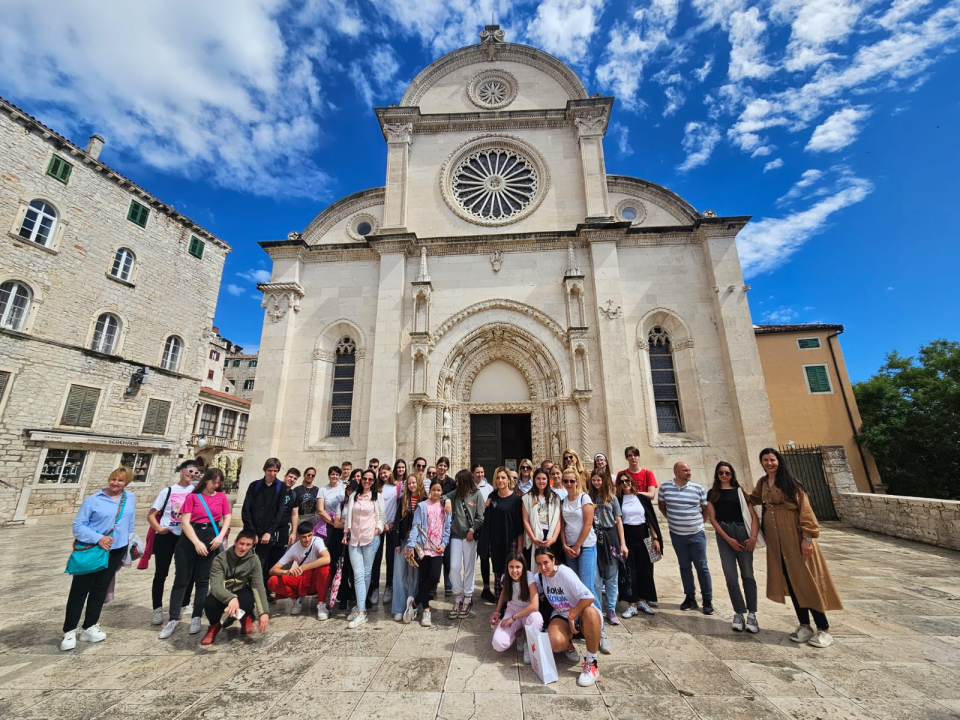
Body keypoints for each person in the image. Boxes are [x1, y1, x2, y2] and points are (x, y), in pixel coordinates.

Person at [748, 448, 842, 648]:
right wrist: (730, 490)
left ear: (779, 461)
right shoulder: (763, 482)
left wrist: (807, 538)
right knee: (791, 582)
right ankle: (805, 626)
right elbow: (754, 498)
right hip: (777, 541)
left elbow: (805, 510)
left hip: (795, 536)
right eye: (765, 460)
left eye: (772, 459)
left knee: (807, 580)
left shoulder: (791, 483)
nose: (769, 463)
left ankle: (823, 629)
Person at [60, 468, 136, 651]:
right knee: (80, 589)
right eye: (113, 479)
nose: (116, 483)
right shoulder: (93, 500)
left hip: (116, 550)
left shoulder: (130, 498)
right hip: (94, 549)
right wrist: (98, 538)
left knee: (100, 589)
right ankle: (69, 630)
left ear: (127, 482)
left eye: (120, 480)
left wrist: (131, 542)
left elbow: (130, 522)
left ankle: (90, 626)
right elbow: (78, 526)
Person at [159, 468, 232, 639]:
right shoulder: (193, 497)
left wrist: (220, 536)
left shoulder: (221, 497)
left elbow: (227, 517)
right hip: (191, 538)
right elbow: (185, 522)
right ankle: (173, 618)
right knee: (181, 580)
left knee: (203, 580)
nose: (216, 485)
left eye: (218, 483)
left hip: (211, 537)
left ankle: (197, 617)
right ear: (206, 480)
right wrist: (197, 542)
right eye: (214, 482)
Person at [534, 548, 603, 687]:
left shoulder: (564, 572)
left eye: (546, 562)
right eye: (539, 564)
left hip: (582, 613)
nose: (543, 567)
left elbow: (589, 597)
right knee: (555, 643)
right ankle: (568, 643)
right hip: (561, 615)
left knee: (590, 613)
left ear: (553, 560)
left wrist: (573, 615)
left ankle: (592, 663)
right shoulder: (541, 577)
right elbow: (526, 590)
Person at [706, 461, 760, 633]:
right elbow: (712, 519)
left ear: (732, 474)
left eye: (727, 473)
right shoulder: (712, 494)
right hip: (725, 534)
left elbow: (753, 516)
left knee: (748, 574)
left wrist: (752, 538)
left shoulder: (740, 492)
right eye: (721, 472)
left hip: (743, 533)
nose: (724, 475)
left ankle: (752, 614)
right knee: (730, 576)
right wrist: (728, 539)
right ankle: (739, 612)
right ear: (717, 474)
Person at [559, 468, 609, 653]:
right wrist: (565, 545)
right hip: (570, 547)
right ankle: (582, 626)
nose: (569, 484)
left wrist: (578, 545)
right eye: (566, 481)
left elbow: (588, 523)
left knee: (587, 588)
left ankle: (601, 632)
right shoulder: (564, 500)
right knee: (574, 588)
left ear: (577, 481)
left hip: (585, 546)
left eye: (572, 481)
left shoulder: (584, 498)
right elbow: (562, 524)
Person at [658, 462, 713, 614]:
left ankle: (707, 599)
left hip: (697, 534)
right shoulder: (665, 488)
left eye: (689, 470)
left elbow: (705, 509)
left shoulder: (698, 488)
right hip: (677, 534)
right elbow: (662, 505)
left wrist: (700, 523)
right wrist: (672, 520)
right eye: (685, 470)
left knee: (702, 566)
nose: (688, 472)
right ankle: (690, 597)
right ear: (676, 472)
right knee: (684, 566)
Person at [147, 461, 197, 626]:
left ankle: (184, 603)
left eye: (196, 472)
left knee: (186, 572)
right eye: (190, 471)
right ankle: (157, 609)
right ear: (181, 471)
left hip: (185, 536)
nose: (192, 474)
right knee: (161, 573)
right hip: (167, 536)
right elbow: (151, 515)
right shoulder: (167, 491)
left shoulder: (195, 491)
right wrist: (159, 529)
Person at [201, 530, 270, 646]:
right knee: (210, 604)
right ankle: (214, 625)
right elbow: (215, 585)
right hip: (223, 590)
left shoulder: (254, 560)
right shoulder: (220, 559)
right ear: (235, 542)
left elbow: (258, 586)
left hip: (241, 588)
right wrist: (230, 598)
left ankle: (244, 617)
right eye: (241, 544)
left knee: (247, 600)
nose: (244, 548)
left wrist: (264, 612)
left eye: (248, 545)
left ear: (252, 545)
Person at [403, 478, 451, 627]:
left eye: (439, 490)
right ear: (430, 490)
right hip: (424, 549)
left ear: (442, 492)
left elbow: (448, 527)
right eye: (434, 489)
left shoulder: (446, 507)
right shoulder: (422, 506)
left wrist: (444, 544)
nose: (436, 493)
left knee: (435, 577)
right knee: (424, 578)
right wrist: (410, 546)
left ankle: (414, 602)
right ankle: (426, 611)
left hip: (438, 549)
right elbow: (415, 527)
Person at [342, 468, 386, 628]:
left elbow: (382, 517)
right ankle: (361, 608)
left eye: (370, 479)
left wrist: (377, 530)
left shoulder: (377, 497)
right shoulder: (354, 496)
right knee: (358, 574)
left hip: (370, 539)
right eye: (365, 479)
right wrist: (346, 532)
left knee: (365, 574)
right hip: (354, 539)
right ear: (361, 480)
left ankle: (361, 610)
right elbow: (348, 516)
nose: (367, 481)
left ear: (374, 482)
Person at [616, 470, 661, 617]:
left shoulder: (642, 499)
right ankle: (632, 603)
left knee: (645, 569)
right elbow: (619, 521)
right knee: (629, 570)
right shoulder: (619, 500)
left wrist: (655, 539)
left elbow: (650, 519)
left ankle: (642, 600)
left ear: (632, 482)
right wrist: (622, 543)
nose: (625, 484)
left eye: (627, 481)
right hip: (628, 537)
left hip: (643, 536)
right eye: (621, 482)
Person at [267, 520, 332, 618]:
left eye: (309, 535)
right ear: (298, 536)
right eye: (303, 537)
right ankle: (296, 598)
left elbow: (327, 558)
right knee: (273, 581)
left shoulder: (317, 540)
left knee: (325, 568)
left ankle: (321, 603)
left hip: (317, 579)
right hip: (302, 579)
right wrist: (286, 572)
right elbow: (272, 570)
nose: (307, 539)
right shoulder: (294, 548)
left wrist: (303, 567)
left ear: (313, 533)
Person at [241, 458, 287, 588]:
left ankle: (259, 591)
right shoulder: (254, 485)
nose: (272, 474)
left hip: (267, 534)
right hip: (252, 531)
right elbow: (246, 509)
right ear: (265, 470)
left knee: (262, 563)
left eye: (275, 471)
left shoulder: (280, 487)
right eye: (270, 470)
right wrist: (252, 532)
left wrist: (269, 532)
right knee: (245, 561)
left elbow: (279, 512)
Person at [446, 468, 485, 619]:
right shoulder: (455, 494)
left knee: (469, 567)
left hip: (469, 536)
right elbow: (442, 497)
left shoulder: (477, 495)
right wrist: (448, 501)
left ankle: (467, 599)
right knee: (454, 567)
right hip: (456, 535)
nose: (456, 483)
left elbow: (481, 516)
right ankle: (457, 597)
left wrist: (472, 529)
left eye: (458, 481)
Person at [589, 469, 626, 626]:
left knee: (612, 576)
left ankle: (610, 609)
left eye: (599, 480)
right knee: (596, 579)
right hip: (594, 538)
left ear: (604, 481)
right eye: (594, 480)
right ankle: (597, 609)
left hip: (611, 538)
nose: (597, 482)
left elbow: (618, 521)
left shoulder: (612, 498)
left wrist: (623, 543)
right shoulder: (589, 498)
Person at [490, 551, 542, 664]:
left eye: (518, 567)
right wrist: (496, 612)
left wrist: (513, 618)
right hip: (512, 609)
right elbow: (503, 594)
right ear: (507, 567)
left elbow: (535, 605)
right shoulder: (506, 578)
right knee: (498, 644)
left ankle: (528, 643)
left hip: (527, 612)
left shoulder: (528, 576)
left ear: (523, 566)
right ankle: (519, 633)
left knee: (537, 619)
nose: (514, 571)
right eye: (511, 567)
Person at [483, 466, 524, 604]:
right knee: (498, 571)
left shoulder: (516, 500)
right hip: (496, 541)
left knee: (513, 571)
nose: (500, 480)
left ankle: (513, 602)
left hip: (511, 540)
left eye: (503, 478)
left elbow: (519, 525)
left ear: (509, 480)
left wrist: (520, 547)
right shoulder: (492, 496)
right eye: (498, 478)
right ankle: (499, 604)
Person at [391, 473, 425, 620]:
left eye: (414, 483)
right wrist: (397, 542)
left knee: (415, 575)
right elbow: (397, 520)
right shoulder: (402, 500)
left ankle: (413, 606)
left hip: (417, 543)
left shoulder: (424, 500)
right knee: (399, 574)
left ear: (418, 483)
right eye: (409, 483)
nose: (412, 485)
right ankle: (398, 607)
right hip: (403, 540)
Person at [317, 465, 345, 611]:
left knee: (338, 557)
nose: (334, 476)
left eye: (337, 474)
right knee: (326, 556)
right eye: (332, 474)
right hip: (328, 524)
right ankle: (324, 585)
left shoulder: (342, 488)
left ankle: (337, 586)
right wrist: (333, 522)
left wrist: (338, 523)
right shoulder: (323, 489)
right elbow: (320, 509)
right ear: (329, 475)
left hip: (340, 526)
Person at [520, 468, 561, 569]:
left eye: (543, 479)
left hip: (550, 536)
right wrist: (534, 538)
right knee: (535, 567)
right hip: (534, 535)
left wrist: (553, 539)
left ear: (548, 480)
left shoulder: (555, 498)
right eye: (538, 479)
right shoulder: (527, 498)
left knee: (549, 567)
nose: (541, 481)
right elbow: (525, 520)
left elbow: (558, 520)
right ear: (534, 480)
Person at [369, 462, 395, 607]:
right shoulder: (376, 489)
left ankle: (389, 587)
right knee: (376, 557)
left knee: (390, 558)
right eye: (381, 473)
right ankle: (375, 588)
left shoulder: (396, 487)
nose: (383, 475)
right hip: (378, 526)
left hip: (391, 526)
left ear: (390, 472)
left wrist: (391, 523)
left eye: (386, 472)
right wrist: (382, 523)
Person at [473, 463, 495, 602]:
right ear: (472, 473)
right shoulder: (469, 487)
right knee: (470, 559)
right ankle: (467, 588)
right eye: (477, 472)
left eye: (482, 472)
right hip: (472, 525)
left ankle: (486, 588)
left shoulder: (489, 488)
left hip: (486, 525)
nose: (480, 474)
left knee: (485, 557)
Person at [290, 466, 320, 539]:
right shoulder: (296, 490)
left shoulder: (317, 490)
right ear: (304, 475)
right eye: (308, 474)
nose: (310, 476)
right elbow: (292, 510)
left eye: (313, 475)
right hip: (299, 519)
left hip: (313, 520)